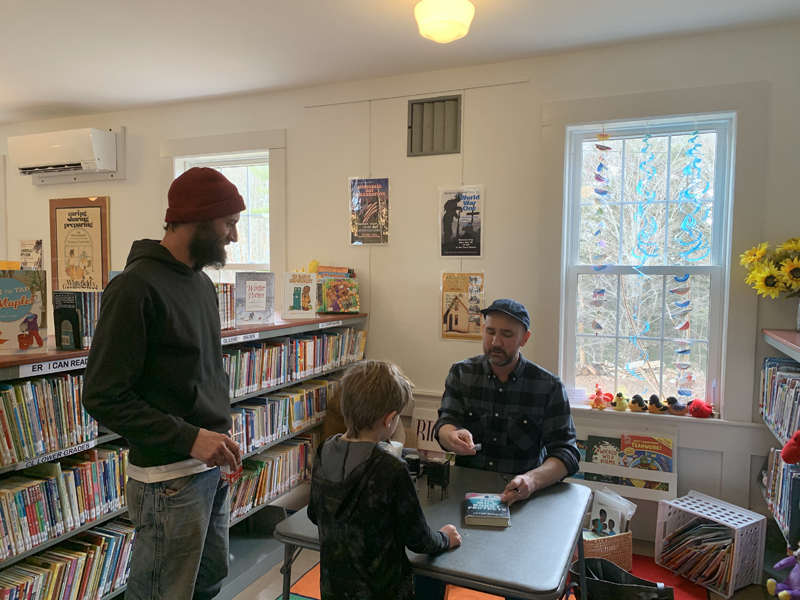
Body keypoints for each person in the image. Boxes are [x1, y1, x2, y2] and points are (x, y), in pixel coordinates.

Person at [82, 167, 246, 600]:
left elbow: (202, 374)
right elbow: (103, 395)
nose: (233, 237)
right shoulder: (134, 289)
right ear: (197, 218)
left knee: (209, 582)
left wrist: (222, 441)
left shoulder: (204, 285)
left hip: (211, 470)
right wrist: (190, 438)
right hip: (167, 482)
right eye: (228, 224)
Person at [308, 360, 462, 600]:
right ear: (390, 419)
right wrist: (445, 537)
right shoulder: (390, 467)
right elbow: (418, 539)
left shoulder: (323, 450)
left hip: (334, 589)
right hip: (383, 592)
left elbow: (313, 514)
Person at [435, 298, 580, 505]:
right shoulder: (461, 373)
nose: (496, 342)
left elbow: (567, 452)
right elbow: (445, 421)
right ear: (483, 330)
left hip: (523, 495)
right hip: (464, 492)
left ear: (524, 338)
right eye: (491, 332)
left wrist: (531, 480)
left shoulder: (548, 386)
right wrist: (450, 435)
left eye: (507, 334)